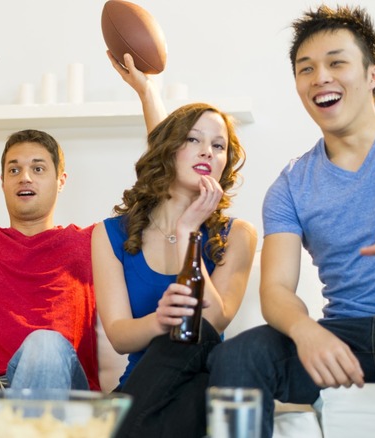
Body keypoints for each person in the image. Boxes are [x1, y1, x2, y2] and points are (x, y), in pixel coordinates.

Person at [0, 27, 166, 438]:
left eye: (38, 168)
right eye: (14, 168)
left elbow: (161, 188)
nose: (25, 176)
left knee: (45, 343)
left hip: (57, 390)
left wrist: (147, 93)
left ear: (61, 180)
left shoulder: (92, 241)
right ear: (3, 181)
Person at [208, 5, 375, 437]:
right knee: (236, 356)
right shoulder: (292, 184)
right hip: (341, 336)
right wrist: (305, 331)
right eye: (306, 68)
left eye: (337, 62)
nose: (320, 77)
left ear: (374, 74)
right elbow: (276, 289)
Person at [93, 51, 257, 438]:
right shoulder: (110, 234)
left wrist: (188, 235)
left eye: (219, 147)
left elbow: (214, 321)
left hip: (201, 379)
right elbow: (118, 336)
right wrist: (160, 320)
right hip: (142, 389)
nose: (207, 151)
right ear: (169, 151)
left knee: (194, 346)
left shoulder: (239, 235)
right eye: (193, 140)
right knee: (180, 345)